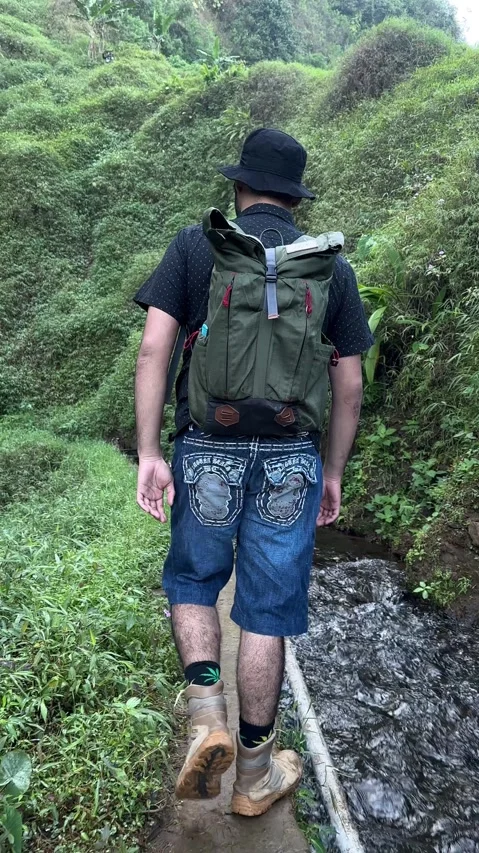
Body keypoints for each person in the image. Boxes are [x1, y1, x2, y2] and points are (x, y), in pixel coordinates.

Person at [133, 128, 373, 816]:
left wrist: (151, 451)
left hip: (206, 443)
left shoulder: (196, 246)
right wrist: (332, 472)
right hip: (293, 459)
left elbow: (155, 350)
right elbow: (349, 383)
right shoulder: (331, 269)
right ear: (296, 199)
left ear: (238, 189)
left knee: (193, 580)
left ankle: (206, 716)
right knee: (266, 611)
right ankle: (254, 776)